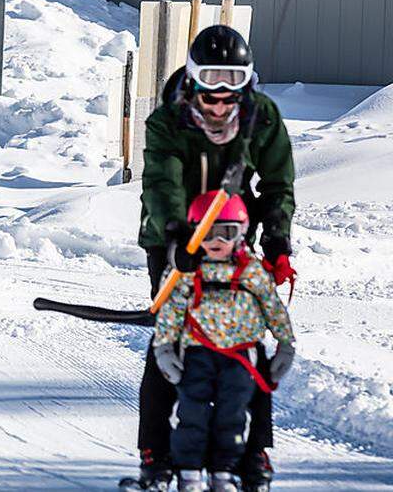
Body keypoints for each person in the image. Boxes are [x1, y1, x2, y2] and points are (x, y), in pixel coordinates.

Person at [131, 25, 296, 492]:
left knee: (245, 341)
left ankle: (253, 453)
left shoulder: (260, 117)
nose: (220, 105)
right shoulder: (168, 120)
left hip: (232, 236)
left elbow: (278, 183)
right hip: (174, 237)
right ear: (194, 82)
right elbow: (162, 182)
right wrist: (176, 235)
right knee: (172, 336)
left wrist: (277, 238)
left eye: (230, 94)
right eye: (210, 94)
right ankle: (156, 454)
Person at [153, 191, 295, 492]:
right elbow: (172, 310)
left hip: (240, 358)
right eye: (208, 232)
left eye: (225, 232)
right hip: (198, 354)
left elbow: (272, 307)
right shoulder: (187, 271)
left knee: (232, 416)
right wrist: (165, 348)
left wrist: (285, 343)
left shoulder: (251, 271)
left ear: (240, 233)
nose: (216, 240)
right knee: (192, 412)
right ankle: (189, 473)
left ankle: (224, 472)